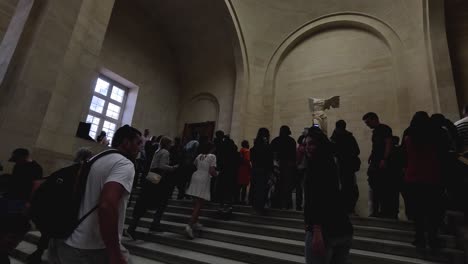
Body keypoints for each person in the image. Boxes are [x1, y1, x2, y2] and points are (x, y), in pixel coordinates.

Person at [54, 125, 142, 264]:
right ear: (126, 142)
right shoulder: (124, 164)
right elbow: (107, 205)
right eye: (138, 143)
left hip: (69, 239)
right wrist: (114, 252)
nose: (140, 148)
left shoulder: (96, 158)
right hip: (92, 248)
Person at [27, 148, 93, 264]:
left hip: (54, 210)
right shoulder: (81, 174)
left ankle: (39, 253)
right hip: (65, 211)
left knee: (48, 235)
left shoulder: (64, 171)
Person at [304, 127, 353, 264]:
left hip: (325, 232)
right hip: (344, 229)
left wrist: (317, 230)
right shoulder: (332, 164)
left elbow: (317, 200)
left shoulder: (315, 166)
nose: (308, 148)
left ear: (320, 144)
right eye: (306, 144)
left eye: (311, 143)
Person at [403, 112, 444, 250]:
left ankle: (419, 238)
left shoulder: (408, 138)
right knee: (433, 210)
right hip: (431, 176)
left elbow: (405, 157)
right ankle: (433, 238)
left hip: (413, 177)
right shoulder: (434, 137)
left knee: (417, 211)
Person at [128, 137, 178, 235]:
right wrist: (173, 168)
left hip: (151, 175)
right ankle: (155, 223)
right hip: (158, 176)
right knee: (162, 201)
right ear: (167, 144)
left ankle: (133, 226)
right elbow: (162, 166)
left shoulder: (157, 151)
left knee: (144, 200)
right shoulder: (165, 152)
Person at [362, 112, 394, 218]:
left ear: (374, 119)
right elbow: (376, 146)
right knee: (375, 186)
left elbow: (388, 143)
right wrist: (372, 155)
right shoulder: (375, 131)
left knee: (383, 187)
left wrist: (384, 159)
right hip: (376, 162)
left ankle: (385, 211)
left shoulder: (385, 129)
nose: (367, 125)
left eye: (368, 122)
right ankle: (376, 211)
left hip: (381, 162)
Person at [184, 142, 217, 239]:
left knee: (197, 202)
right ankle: (189, 225)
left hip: (196, 176)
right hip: (204, 178)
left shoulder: (199, 156)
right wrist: (217, 174)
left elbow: (195, 165)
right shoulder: (212, 156)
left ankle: (195, 221)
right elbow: (211, 170)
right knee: (199, 204)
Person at [330, 120, 361, 214]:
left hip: (341, 166)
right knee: (350, 187)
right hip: (348, 166)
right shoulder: (349, 137)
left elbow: (331, 151)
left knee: (343, 187)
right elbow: (357, 151)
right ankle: (349, 207)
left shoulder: (335, 138)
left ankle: (343, 207)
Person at [271, 125, 296, 209]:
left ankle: (276, 204)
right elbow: (294, 155)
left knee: (278, 185)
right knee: (287, 185)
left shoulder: (276, 140)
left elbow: (272, 153)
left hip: (278, 165)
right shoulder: (291, 141)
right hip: (288, 165)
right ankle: (287, 204)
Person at [250, 128, 273, 215]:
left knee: (255, 188)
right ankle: (260, 207)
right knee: (262, 189)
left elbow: (252, 159)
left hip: (255, 169)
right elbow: (269, 161)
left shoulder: (254, 147)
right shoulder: (267, 147)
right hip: (264, 171)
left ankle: (255, 206)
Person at [216, 135, 240, 216]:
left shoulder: (222, 153)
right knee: (230, 191)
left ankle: (221, 206)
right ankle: (229, 206)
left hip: (223, 173)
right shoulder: (236, 153)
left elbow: (219, 163)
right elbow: (239, 163)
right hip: (232, 174)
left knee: (222, 190)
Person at [237, 140, 251, 205]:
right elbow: (247, 160)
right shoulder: (247, 151)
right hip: (245, 169)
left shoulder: (241, 150)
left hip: (240, 168)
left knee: (239, 185)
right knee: (244, 186)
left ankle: (236, 198)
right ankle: (242, 200)